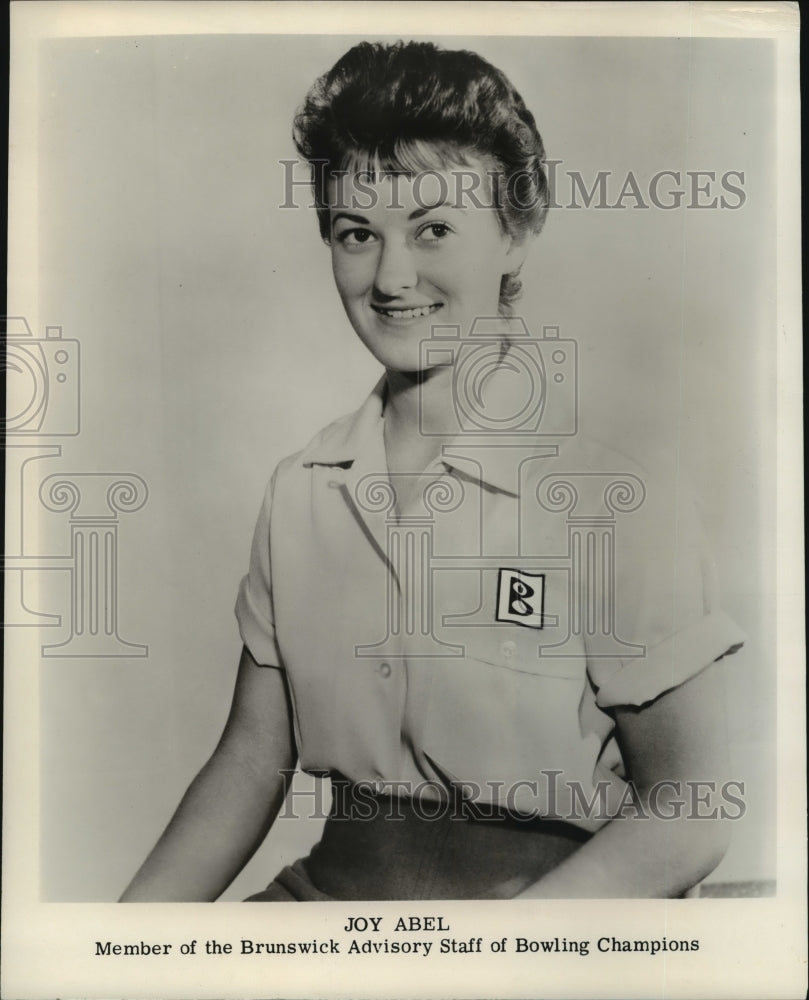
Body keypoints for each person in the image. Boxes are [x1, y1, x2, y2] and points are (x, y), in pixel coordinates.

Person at [120, 40, 746, 902]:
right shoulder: (302, 488)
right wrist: (112, 951)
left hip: (546, 934)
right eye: (356, 234)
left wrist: (500, 955)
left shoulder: (609, 500)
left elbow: (692, 809)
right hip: (322, 914)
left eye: (434, 230)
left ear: (515, 236)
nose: (391, 277)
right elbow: (250, 762)